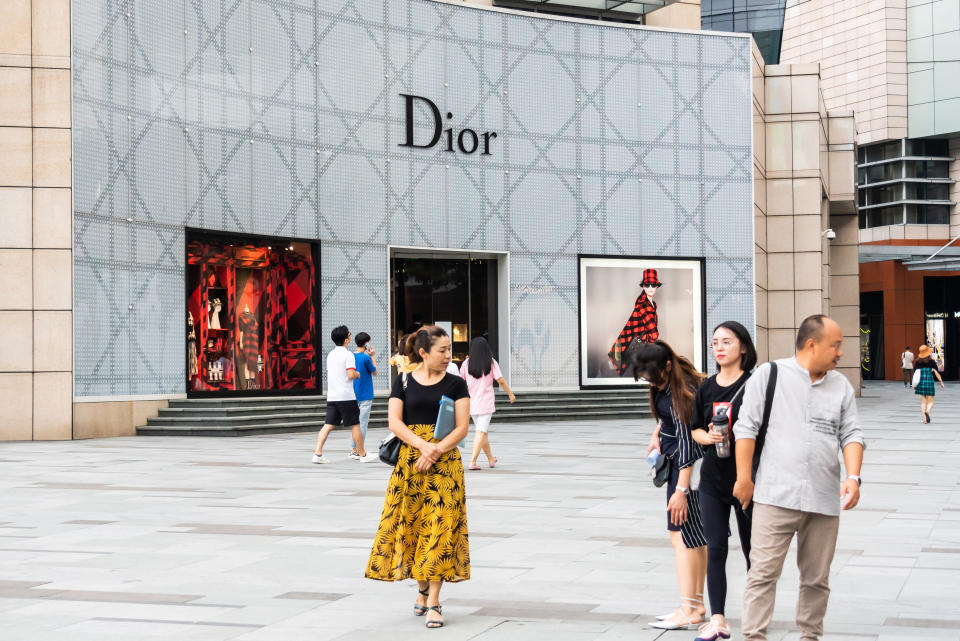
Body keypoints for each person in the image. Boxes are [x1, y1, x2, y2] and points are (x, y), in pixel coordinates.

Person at [732, 315, 865, 641]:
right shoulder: (769, 374)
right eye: (835, 345)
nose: (840, 353)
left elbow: (851, 434)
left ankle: (810, 635)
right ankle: (754, 636)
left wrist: (854, 477)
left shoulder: (841, 387)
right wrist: (744, 478)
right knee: (762, 573)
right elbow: (745, 428)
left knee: (817, 579)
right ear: (811, 344)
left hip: (822, 498)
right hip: (775, 494)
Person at [365, 326, 471, 630]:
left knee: (440, 529)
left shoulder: (456, 384)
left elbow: (462, 427)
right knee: (412, 527)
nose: (448, 356)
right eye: (442, 350)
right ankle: (422, 590)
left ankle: (435, 602)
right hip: (411, 464)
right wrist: (422, 446)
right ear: (423, 352)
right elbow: (394, 422)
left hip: (445, 465)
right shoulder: (404, 381)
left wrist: (435, 450)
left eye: (449, 350)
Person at [626, 340, 708, 631]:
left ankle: (689, 607)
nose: (651, 382)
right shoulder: (677, 383)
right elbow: (674, 422)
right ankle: (695, 606)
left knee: (681, 537)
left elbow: (687, 443)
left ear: (667, 366)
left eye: (653, 376)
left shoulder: (680, 392)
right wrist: (658, 431)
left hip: (687, 471)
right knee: (694, 538)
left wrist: (680, 491)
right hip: (692, 470)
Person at [689, 321, 758, 641]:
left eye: (727, 342)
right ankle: (718, 619)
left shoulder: (755, 385)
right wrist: (710, 435)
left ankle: (756, 616)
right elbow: (695, 429)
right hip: (713, 482)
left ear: (743, 347)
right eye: (715, 342)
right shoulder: (706, 387)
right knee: (715, 548)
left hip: (749, 482)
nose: (719, 347)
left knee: (753, 552)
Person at [313, 326, 377, 464]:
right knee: (355, 425)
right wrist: (357, 374)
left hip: (333, 396)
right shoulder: (348, 355)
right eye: (349, 335)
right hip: (346, 396)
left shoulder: (330, 355)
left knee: (328, 425)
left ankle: (317, 454)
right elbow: (350, 374)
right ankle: (363, 455)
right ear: (346, 339)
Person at [459, 337, 516, 470]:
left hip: (472, 403)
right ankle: (473, 461)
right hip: (485, 403)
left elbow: (460, 381)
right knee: (480, 432)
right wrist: (510, 394)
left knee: (483, 432)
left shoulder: (466, 363)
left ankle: (491, 459)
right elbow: (500, 380)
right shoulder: (491, 363)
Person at [609, 269, 662, 375]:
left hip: (637, 349)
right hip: (636, 350)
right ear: (643, 286)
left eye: (653, 285)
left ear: (656, 286)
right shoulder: (643, 305)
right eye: (647, 285)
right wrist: (646, 338)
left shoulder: (651, 304)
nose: (650, 288)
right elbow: (653, 334)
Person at [349, 332, 378, 460]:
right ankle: (357, 450)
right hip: (365, 394)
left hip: (353, 393)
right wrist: (372, 356)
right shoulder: (366, 358)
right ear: (366, 344)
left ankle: (354, 449)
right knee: (363, 424)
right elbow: (375, 371)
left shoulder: (350, 356)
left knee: (355, 423)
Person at [914, 344, 944, 424]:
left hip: (920, 382)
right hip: (929, 382)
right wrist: (941, 382)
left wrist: (914, 385)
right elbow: (936, 372)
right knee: (930, 401)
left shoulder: (917, 362)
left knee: (923, 402)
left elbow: (915, 374)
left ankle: (925, 419)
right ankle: (927, 411)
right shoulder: (931, 362)